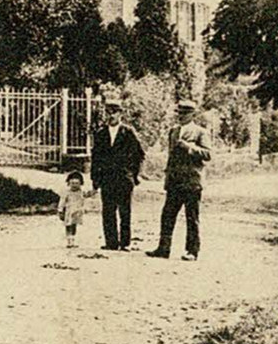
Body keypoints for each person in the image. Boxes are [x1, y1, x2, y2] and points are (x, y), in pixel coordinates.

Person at [148, 98, 211, 261]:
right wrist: (167, 177)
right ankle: (163, 248)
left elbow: (208, 154)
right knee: (167, 215)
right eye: (179, 113)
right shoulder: (173, 131)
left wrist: (189, 147)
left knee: (192, 217)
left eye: (185, 113)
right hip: (175, 181)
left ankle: (192, 251)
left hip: (191, 181)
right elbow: (171, 156)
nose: (181, 116)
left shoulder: (200, 132)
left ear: (192, 115)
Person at [90, 99, 146, 250]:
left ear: (120, 113)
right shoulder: (100, 133)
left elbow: (139, 155)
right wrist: (95, 180)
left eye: (114, 112)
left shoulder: (128, 132)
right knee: (108, 211)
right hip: (107, 178)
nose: (110, 115)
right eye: (107, 112)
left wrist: (136, 175)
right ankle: (111, 242)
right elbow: (95, 158)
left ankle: (125, 243)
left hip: (124, 178)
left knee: (125, 211)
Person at [58, 172, 87, 249]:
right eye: (72, 183)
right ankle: (69, 241)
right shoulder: (67, 192)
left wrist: (83, 209)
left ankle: (73, 240)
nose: (74, 185)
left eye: (77, 183)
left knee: (74, 225)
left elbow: (83, 200)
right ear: (69, 183)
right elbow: (62, 201)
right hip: (69, 211)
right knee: (68, 225)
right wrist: (60, 210)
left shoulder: (81, 192)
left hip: (77, 212)